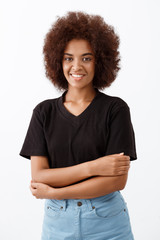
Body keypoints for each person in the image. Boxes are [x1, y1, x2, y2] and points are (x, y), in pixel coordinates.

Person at [20, 11, 137, 240]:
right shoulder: (44, 112)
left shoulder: (116, 110)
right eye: (68, 58)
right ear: (57, 61)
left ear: (100, 61)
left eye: (86, 58)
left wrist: (55, 191)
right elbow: (39, 175)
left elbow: (116, 180)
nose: (76, 66)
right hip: (57, 222)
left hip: (107, 221)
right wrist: (94, 168)